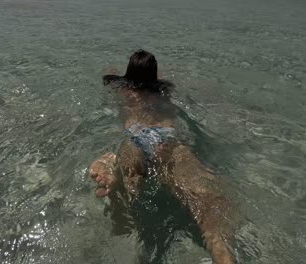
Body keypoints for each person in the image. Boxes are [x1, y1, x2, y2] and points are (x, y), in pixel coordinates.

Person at [89, 50, 236, 264]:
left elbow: (109, 74)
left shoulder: (123, 91)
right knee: (207, 203)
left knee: (133, 194)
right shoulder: (163, 91)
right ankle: (223, 256)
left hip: (136, 137)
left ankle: (117, 189)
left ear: (129, 73)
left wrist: (115, 74)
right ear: (154, 74)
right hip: (167, 141)